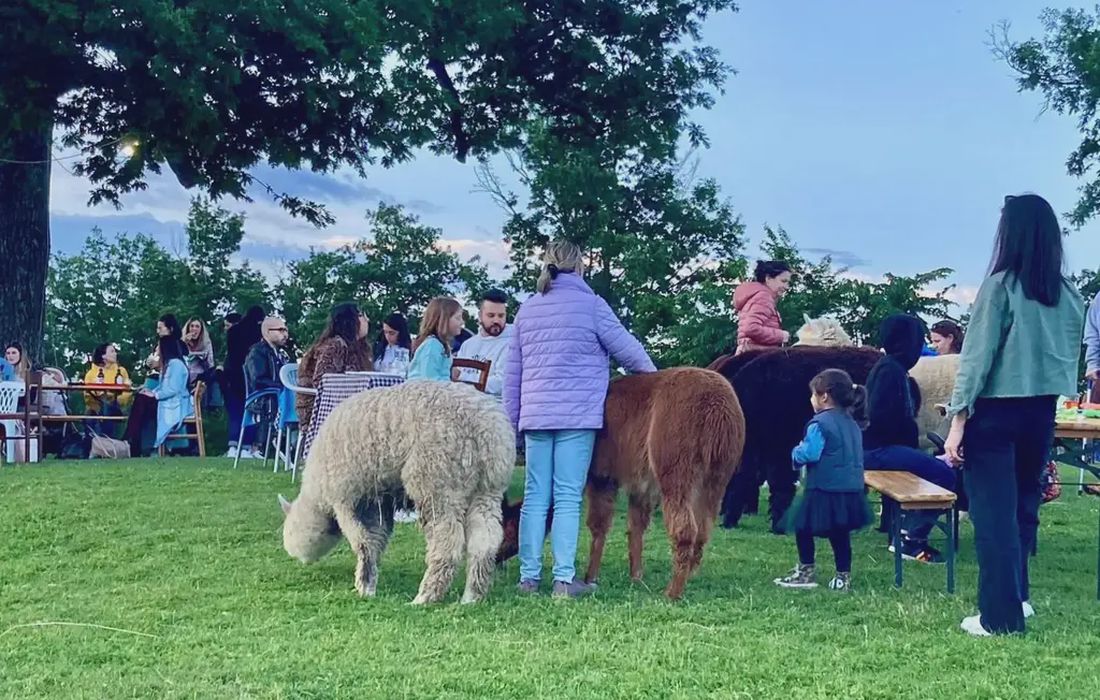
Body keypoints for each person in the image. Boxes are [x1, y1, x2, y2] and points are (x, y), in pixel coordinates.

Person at [944, 194, 1084, 637]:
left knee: (993, 516)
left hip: (996, 414)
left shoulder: (1000, 287)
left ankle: (999, 617)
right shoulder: (1068, 294)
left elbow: (976, 360)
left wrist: (958, 422)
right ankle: (1018, 598)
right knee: (1024, 509)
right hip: (1042, 413)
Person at [504, 240, 657, 598]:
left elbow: (513, 373)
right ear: (580, 266)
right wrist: (657, 381)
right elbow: (630, 352)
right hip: (577, 417)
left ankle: (528, 579)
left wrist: (512, 423)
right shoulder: (592, 306)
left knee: (535, 496)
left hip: (536, 416)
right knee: (568, 496)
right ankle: (563, 580)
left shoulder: (528, 309)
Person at [863, 314, 957, 564]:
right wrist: (909, 441)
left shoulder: (892, 368)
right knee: (944, 474)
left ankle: (906, 531)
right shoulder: (890, 372)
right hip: (877, 450)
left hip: (880, 447)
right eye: (918, 341)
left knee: (936, 466)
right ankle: (911, 539)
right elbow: (881, 418)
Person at [774, 369, 872, 592]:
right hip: (851, 489)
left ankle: (806, 572)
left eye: (813, 394)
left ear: (824, 396)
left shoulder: (819, 423)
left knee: (803, 528)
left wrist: (796, 451)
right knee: (840, 533)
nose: (811, 399)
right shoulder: (853, 424)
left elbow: (811, 453)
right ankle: (842, 577)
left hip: (823, 488)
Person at [297, 303, 372, 433]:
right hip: (319, 406)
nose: (367, 320)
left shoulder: (358, 348)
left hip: (344, 403)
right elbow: (322, 381)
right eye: (361, 316)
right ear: (349, 321)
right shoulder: (334, 345)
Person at [241, 316, 290, 458]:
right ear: (268, 332)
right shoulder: (257, 352)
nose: (285, 334)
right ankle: (264, 445)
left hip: (278, 396)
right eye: (281, 330)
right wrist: (282, 386)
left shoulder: (281, 354)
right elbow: (258, 380)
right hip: (262, 400)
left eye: (286, 330)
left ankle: (292, 445)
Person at [224, 305, 265, 457]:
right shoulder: (258, 332)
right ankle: (246, 446)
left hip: (232, 374)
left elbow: (231, 354)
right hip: (250, 376)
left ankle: (233, 446)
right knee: (250, 410)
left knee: (235, 411)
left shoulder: (233, 331)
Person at [453, 289, 512, 396]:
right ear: (480, 316)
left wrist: (461, 376)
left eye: (501, 316)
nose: (496, 320)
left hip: (495, 404)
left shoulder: (511, 344)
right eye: (491, 315)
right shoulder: (468, 345)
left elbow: (502, 384)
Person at [733, 260, 792, 354]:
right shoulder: (764, 297)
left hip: (750, 350)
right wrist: (781, 335)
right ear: (768, 278)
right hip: (758, 353)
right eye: (783, 281)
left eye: (788, 283)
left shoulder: (757, 295)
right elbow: (751, 328)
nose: (786, 287)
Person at [407, 298, 464, 382]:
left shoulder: (441, 345)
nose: (462, 322)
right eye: (458, 318)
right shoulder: (432, 345)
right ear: (443, 320)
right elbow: (429, 379)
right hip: (423, 389)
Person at [83, 343, 132, 438]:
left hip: (116, 405)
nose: (115, 354)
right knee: (94, 411)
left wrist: (118, 399)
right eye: (112, 351)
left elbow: (127, 390)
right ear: (103, 356)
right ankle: (94, 442)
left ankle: (105, 440)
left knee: (108, 407)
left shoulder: (121, 371)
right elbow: (87, 394)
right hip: (96, 406)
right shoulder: (91, 373)